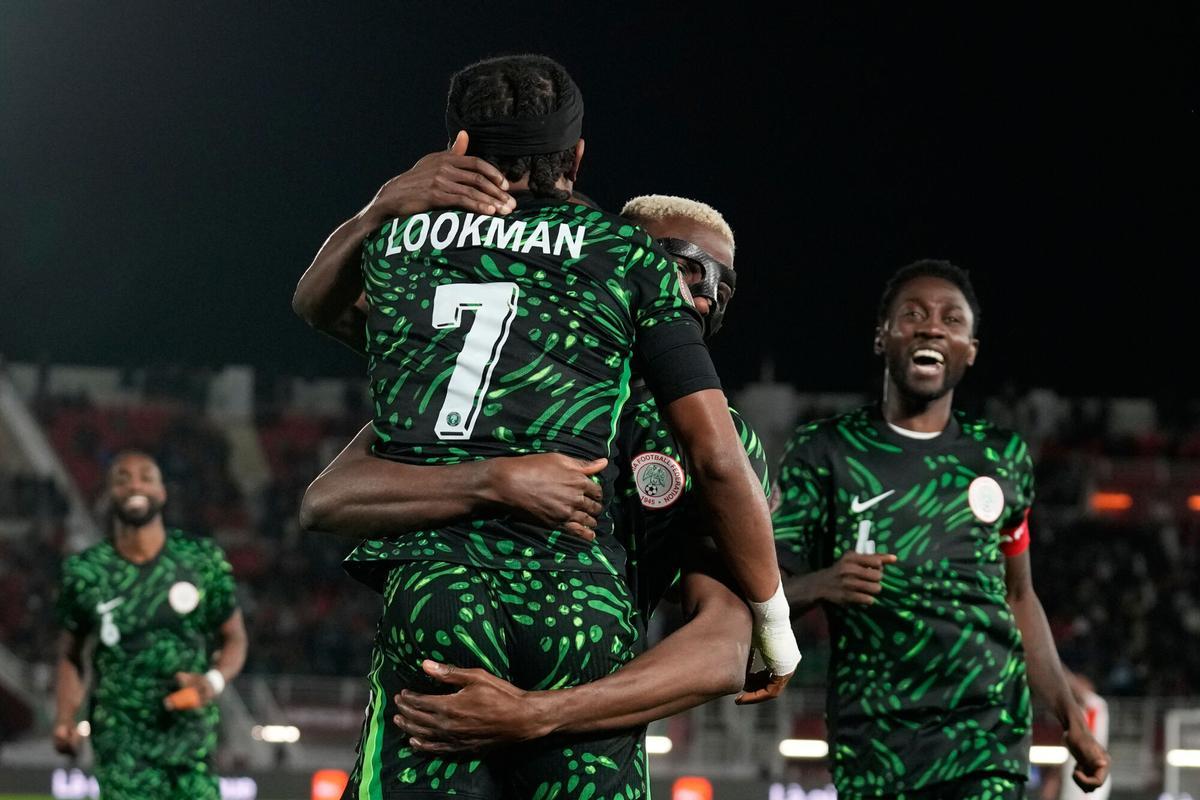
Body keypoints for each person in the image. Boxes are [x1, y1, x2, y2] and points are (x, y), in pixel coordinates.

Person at [294, 54, 797, 799]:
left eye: (708, 278)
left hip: (531, 668)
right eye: (672, 267)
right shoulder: (523, 382)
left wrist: (535, 715)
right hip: (582, 639)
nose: (687, 290)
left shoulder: (478, 367)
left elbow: (721, 647)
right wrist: (495, 478)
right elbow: (326, 499)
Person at [772, 259, 1111, 799]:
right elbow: (766, 595)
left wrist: (1071, 716)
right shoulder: (824, 451)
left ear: (970, 349)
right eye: (913, 314)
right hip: (874, 740)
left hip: (988, 735)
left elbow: (1020, 596)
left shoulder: (1002, 456)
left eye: (952, 320)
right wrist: (821, 584)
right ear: (882, 336)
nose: (932, 326)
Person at [53, 450, 246, 800]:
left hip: (190, 740)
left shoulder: (201, 560)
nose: (134, 485)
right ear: (110, 494)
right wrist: (66, 717)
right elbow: (70, 654)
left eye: (146, 476)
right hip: (121, 744)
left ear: (162, 493)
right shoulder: (86, 571)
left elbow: (234, 637)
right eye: (122, 479)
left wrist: (213, 681)